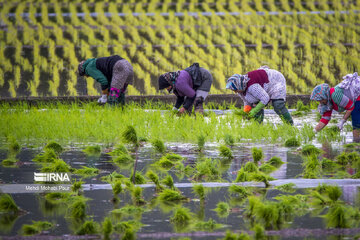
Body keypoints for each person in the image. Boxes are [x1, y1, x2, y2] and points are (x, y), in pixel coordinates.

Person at [226, 66, 293, 125]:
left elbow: (265, 98)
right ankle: (258, 126)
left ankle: (290, 125)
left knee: (278, 105)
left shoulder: (252, 86)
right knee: (255, 103)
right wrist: (246, 113)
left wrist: (254, 111)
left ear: (239, 85)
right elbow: (247, 101)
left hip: (275, 80)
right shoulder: (240, 90)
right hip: (264, 85)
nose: (235, 92)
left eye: (235, 89)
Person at [310, 72, 360, 142]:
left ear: (324, 96)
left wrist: (342, 121)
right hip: (355, 99)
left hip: (358, 94)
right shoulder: (327, 102)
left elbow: (351, 107)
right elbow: (325, 119)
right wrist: (313, 132)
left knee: (356, 119)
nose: (320, 102)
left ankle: (357, 144)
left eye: (321, 100)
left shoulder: (335, 95)